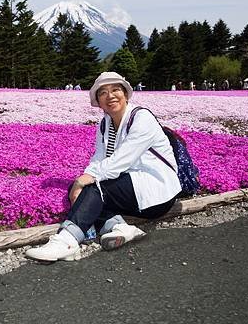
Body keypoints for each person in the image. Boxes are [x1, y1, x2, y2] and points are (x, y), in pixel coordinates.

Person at [25, 72, 182, 262]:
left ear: (125, 94)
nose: (110, 96)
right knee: (79, 188)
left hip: (156, 194)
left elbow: (121, 161)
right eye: (103, 93)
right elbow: (100, 157)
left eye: (116, 90)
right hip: (130, 188)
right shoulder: (105, 123)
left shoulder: (141, 118)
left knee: (94, 188)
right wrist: (82, 180)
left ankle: (67, 240)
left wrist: (86, 181)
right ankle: (119, 228)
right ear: (98, 101)